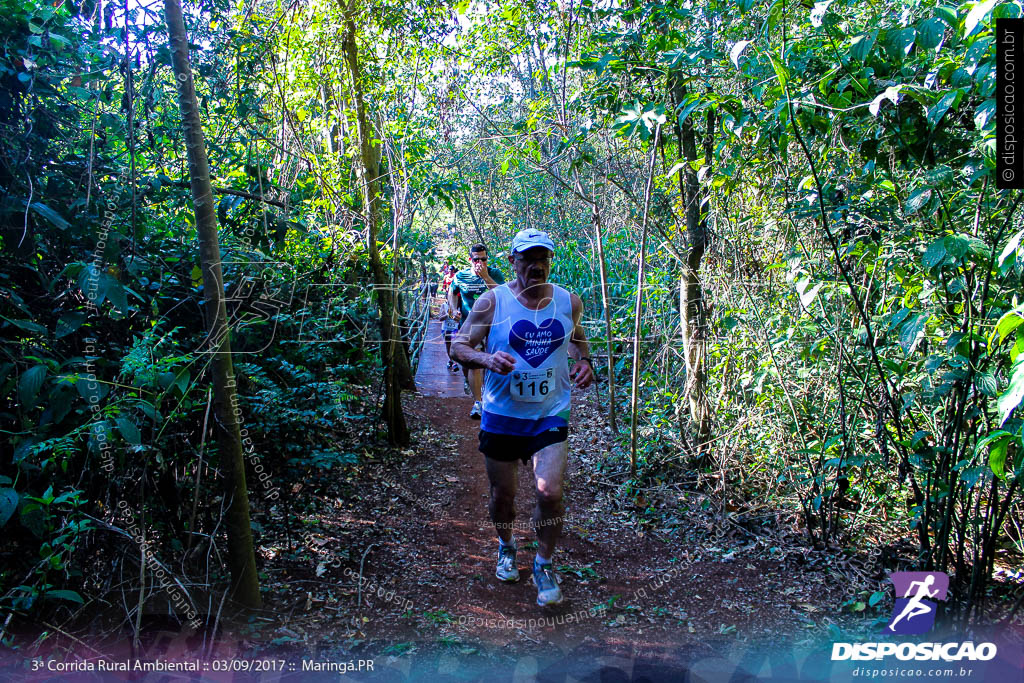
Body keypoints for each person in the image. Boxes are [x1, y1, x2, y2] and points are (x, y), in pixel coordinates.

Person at [450, 229, 594, 607]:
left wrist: (585, 361)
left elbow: (577, 337)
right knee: (504, 498)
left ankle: (544, 564)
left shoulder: (568, 301)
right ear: (513, 261)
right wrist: (486, 359)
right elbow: (458, 345)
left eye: (543, 257)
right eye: (528, 258)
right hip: (502, 415)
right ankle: (507, 544)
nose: (536, 265)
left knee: (550, 493)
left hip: (550, 413)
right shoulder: (491, 303)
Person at [448, 243, 505, 419]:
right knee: (468, 364)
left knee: (483, 363)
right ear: (470, 259)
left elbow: (503, 296)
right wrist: (453, 309)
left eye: (484, 259)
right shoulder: (461, 276)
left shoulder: (495, 274)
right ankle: (474, 389)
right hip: (468, 325)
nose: (480, 262)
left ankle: (479, 403)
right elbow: (452, 293)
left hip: (493, 325)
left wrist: (486, 276)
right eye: (476, 259)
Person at [438, 299, 460, 371]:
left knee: (455, 346)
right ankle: (452, 361)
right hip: (446, 329)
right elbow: (440, 318)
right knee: (448, 346)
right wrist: (447, 315)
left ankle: (454, 363)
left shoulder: (460, 306)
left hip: (455, 329)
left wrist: (457, 317)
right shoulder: (444, 305)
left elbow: (461, 319)